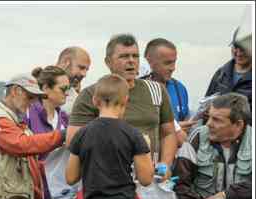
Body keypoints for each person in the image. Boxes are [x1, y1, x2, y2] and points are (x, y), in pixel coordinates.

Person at [68, 34, 176, 172]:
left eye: (135, 56)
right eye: (124, 56)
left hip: (151, 179)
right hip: (107, 181)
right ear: (108, 62)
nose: (131, 61)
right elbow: (73, 141)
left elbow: (168, 133)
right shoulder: (91, 95)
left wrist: (165, 165)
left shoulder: (156, 90)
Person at [173, 93, 252, 199]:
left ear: (238, 124)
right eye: (209, 117)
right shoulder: (196, 137)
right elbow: (180, 183)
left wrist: (226, 195)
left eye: (217, 120)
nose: (208, 124)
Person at [24, 66, 80, 199]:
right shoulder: (30, 115)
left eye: (69, 89)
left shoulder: (65, 117)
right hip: (38, 193)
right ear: (45, 88)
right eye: (63, 88)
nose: (66, 94)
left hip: (62, 194)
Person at [0, 73, 64, 199]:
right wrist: (62, 135)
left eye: (35, 98)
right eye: (30, 97)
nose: (33, 102)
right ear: (15, 91)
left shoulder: (15, 120)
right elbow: (21, 145)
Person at [143, 38, 191, 125]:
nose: (173, 68)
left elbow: (186, 119)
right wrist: (174, 129)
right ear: (150, 61)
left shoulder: (180, 89)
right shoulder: (138, 89)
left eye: (174, 62)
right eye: (167, 63)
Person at [205, 32, 253, 111]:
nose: (238, 53)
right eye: (235, 47)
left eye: (243, 49)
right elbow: (206, 103)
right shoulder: (221, 74)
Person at [55, 46, 91, 114]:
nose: (84, 74)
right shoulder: (35, 87)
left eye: (86, 70)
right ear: (66, 62)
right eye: (81, 68)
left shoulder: (76, 100)